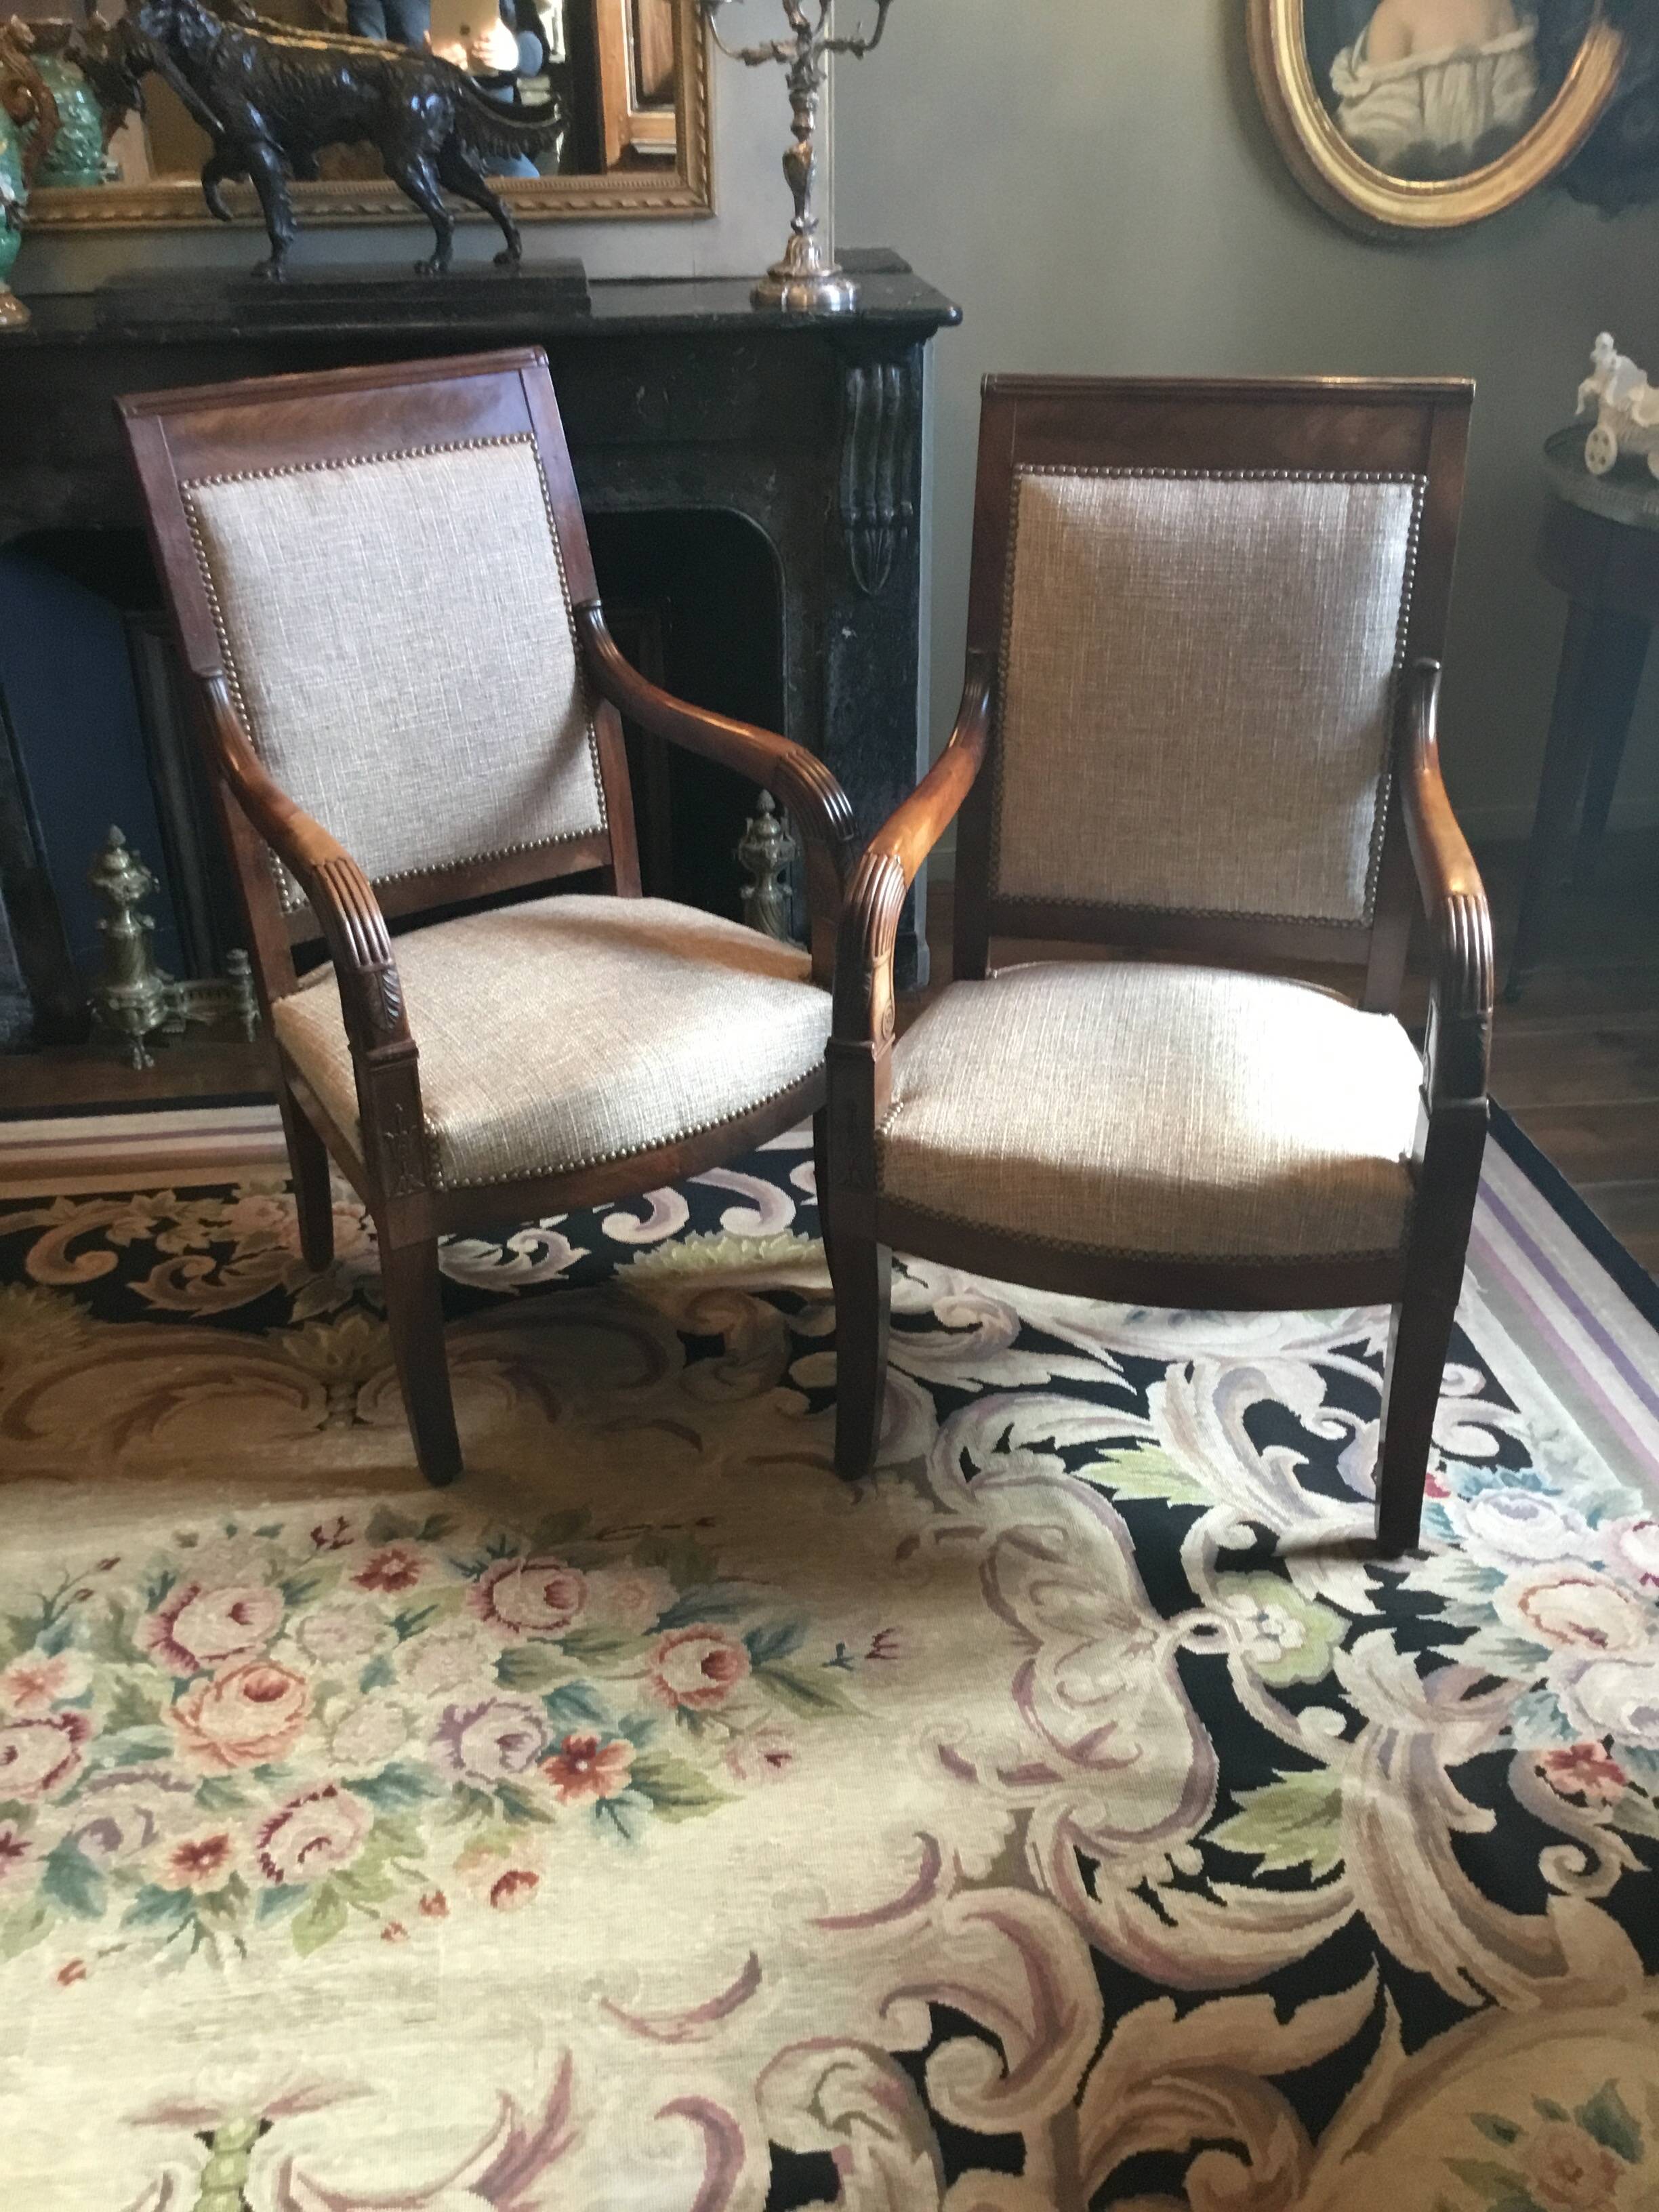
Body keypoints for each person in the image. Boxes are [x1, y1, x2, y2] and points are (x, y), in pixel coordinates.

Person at [1330, 0, 1540, 178]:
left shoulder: (1496, 6)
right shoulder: (1396, 15)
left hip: (1490, 179)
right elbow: (1385, 129)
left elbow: (1517, 110)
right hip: (1417, 182)